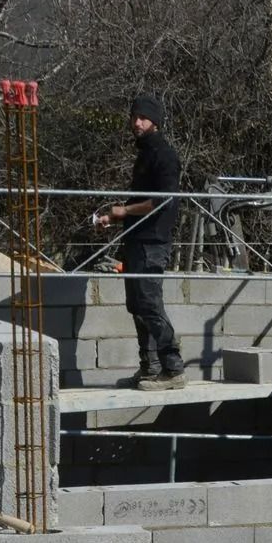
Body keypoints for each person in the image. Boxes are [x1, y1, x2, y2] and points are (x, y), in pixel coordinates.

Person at [97, 93, 185, 390]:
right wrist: (116, 217)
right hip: (137, 238)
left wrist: (124, 211)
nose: (136, 122)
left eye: (143, 118)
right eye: (134, 116)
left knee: (149, 303)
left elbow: (164, 201)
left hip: (153, 241)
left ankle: (172, 370)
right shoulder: (145, 153)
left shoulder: (164, 155)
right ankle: (150, 368)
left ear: (155, 122)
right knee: (136, 304)